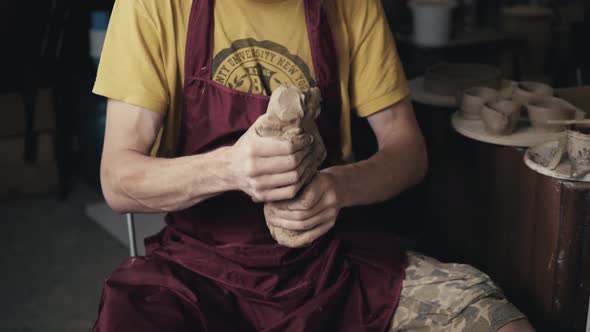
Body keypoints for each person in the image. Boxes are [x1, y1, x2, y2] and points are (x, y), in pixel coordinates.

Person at [92, 0, 534, 331]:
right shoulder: (153, 5)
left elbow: (408, 150)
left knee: (495, 319)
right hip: (200, 270)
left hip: (332, 264)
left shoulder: (350, 5)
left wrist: (337, 188)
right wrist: (229, 168)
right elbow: (118, 181)